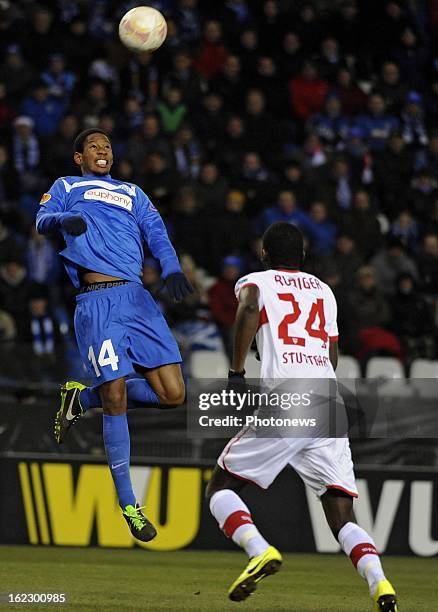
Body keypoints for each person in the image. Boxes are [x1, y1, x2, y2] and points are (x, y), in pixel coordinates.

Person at [205, 222, 398, 610]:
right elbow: (331, 354)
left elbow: (249, 307)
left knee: (220, 488)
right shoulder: (324, 291)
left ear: (264, 254)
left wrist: (237, 373)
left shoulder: (256, 280)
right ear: (304, 256)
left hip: (289, 399)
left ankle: (258, 550)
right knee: (341, 514)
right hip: (329, 401)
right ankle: (381, 583)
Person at [35, 128, 193, 542]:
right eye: (93, 146)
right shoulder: (66, 186)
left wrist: (172, 267)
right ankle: (129, 505)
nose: (103, 150)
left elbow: (156, 232)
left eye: (107, 145)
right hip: (97, 302)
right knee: (117, 395)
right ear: (78, 157)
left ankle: (81, 398)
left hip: (138, 300)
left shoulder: (133, 192)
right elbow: (40, 220)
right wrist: (61, 219)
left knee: (173, 394)